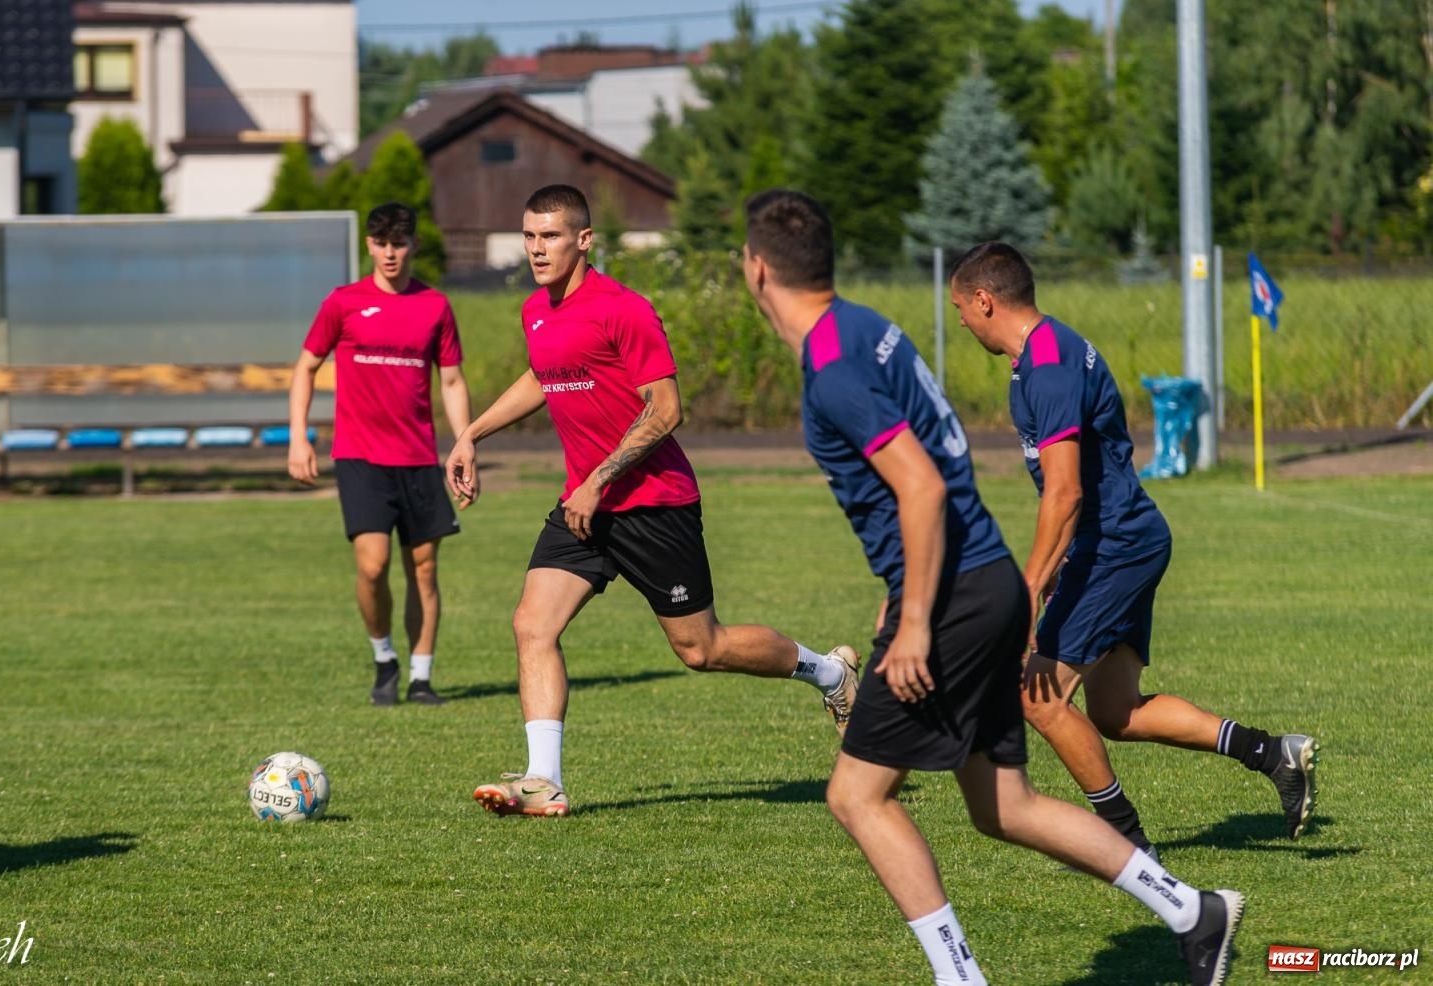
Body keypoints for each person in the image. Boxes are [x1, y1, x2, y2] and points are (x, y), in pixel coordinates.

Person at [742, 189, 1243, 986]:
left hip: (951, 600)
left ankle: (961, 977)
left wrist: (914, 617)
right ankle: (1192, 910)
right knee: (1003, 806)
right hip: (981, 581)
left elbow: (921, 485)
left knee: (857, 796)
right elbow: (942, 465)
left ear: (757, 270)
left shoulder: (834, 366)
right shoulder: (867, 329)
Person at [444, 183, 860, 818]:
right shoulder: (536, 311)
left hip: (654, 504)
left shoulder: (624, 309)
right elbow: (543, 374)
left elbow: (666, 409)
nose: (537, 249)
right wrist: (471, 434)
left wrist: (598, 480)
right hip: (584, 508)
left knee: (702, 649)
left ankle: (830, 674)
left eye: (550, 236)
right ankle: (544, 779)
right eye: (529, 236)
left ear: (584, 240)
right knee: (532, 624)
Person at [947, 241, 1318, 848]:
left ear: (984, 300)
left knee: (1039, 698)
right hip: (1120, 540)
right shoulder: (1039, 357)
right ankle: (1271, 753)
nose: (960, 321)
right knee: (1116, 712)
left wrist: (1027, 590)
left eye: (960, 307)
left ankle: (1129, 846)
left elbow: (1065, 492)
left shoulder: (1049, 364)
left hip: (1114, 545)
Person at [289, 202, 470, 707]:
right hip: (361, 458)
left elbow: (452, 381)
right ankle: (384, 657)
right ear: (369, 245)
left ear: (414, 245)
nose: (390, 253)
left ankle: (421, 677)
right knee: (372, 567)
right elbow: (305, 368)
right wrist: (299, 437)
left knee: (425, 569)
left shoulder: (435, 306)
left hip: (418, 458)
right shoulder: (343, 303)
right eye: (382, 243)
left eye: (400, 243)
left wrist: (464, 443)